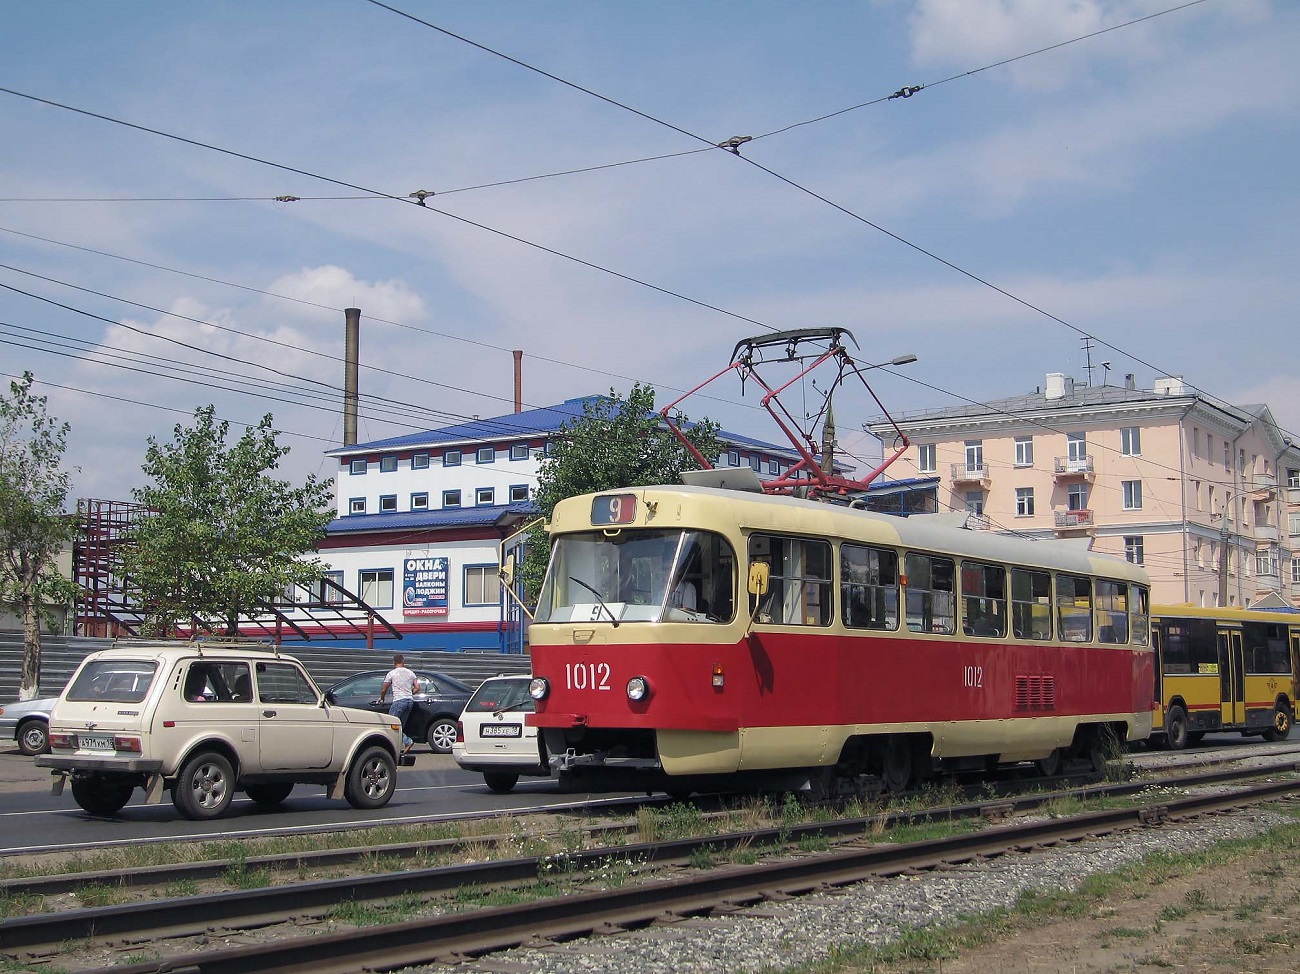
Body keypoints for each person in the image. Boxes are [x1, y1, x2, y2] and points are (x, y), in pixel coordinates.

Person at [377, 654, 421, 755]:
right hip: (409, 701)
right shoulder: (410, 673)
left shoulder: (392, 673)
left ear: (394, 662)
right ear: (403, 661)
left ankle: (406, 742)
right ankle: (404, 743)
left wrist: (382, 698)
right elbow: (417, 687)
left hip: (398, 701)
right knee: (399, 726)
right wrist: (410, 693)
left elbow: (384, 688)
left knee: (392, 725)